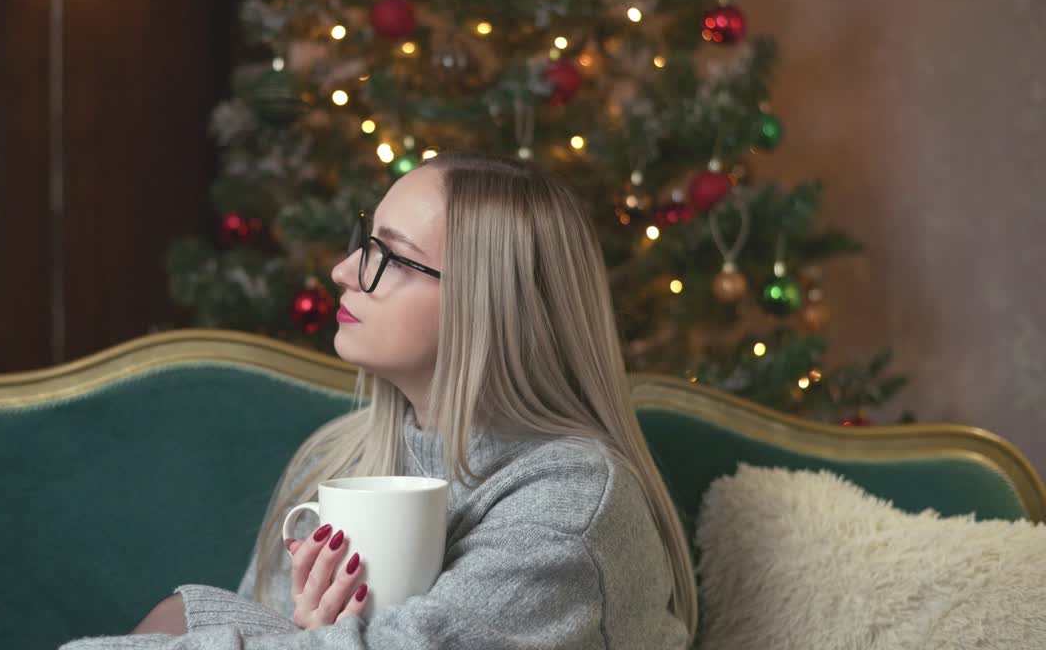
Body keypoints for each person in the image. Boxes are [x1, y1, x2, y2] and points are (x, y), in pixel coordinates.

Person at [61, 152, 696, 649]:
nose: (343, 271)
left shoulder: (574, 499)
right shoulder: (340, 457)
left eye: (389, 256)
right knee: (185, 611)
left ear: (484, 303)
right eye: (366, 243)